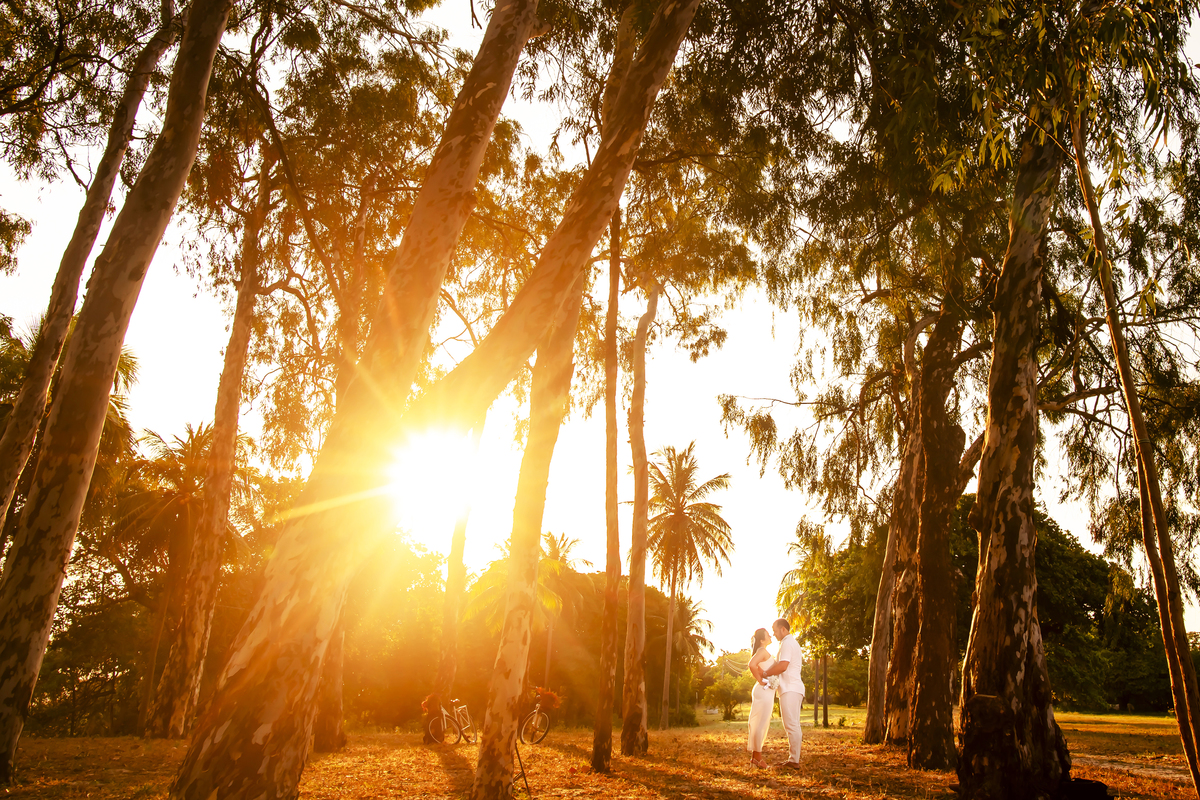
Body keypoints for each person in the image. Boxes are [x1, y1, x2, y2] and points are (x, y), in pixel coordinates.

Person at [762, 617, 804, 769]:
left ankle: (794, 760)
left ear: (783, 629)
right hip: (793, 688)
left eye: (775, 630)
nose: (773, 634)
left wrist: (765, 673)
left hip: (790, 688)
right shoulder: (790, 642)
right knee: (793, 724)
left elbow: (783, 666)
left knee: (791, 725)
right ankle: (794, 759)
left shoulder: (787, 643)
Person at [746, 627, 777, 768]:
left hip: (765, 691)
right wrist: (760, 679)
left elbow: (757, 666)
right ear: (762, 640)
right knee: (761, 724)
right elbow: (751, 664)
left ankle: (755, 759)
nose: (771, 636)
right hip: (763, 690)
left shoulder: (762, 651)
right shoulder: (762, 651)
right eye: (768, 635)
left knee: (759, 723)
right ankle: (757, 758)